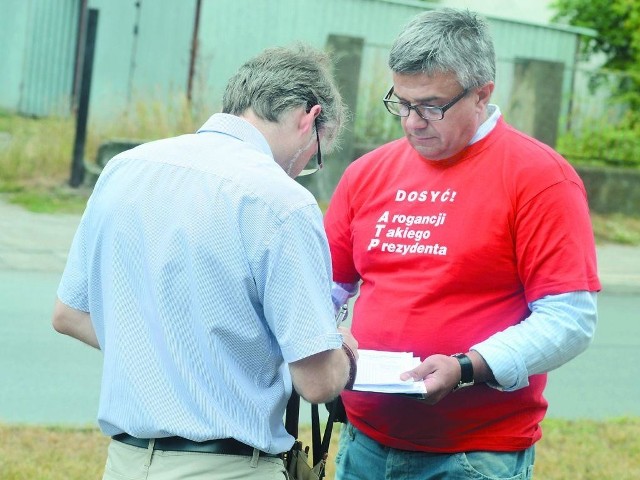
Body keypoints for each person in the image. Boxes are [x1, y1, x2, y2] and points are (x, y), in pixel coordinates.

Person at [52, 43, 358, 480]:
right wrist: (345, 349)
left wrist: (172, 350)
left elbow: (69, 313)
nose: (302, 169)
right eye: (316, 155)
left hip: (126, 463)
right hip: (230, 466)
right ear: (310, 118)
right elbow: (317, 382)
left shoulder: (124, 168)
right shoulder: (282, 201)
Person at [324, 8, 600, 480]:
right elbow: (326, 285)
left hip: (473, 456)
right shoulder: (368, 172)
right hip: (364, 440)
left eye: (431, 106)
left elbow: (569, 318)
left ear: (482, 94)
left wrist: (468, 367)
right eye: (402, 103)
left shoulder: (539, 179)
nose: (412, 123)